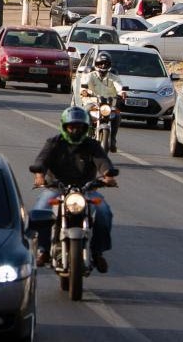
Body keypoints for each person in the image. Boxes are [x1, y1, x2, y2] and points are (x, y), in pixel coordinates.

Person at [30, 106, 119, 272]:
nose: (75, 130)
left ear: (85, 128)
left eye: (79, 127)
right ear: (64, 127)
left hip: (85, 190)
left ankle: (97, 252)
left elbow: (103, 162)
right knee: (40, 210)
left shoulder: (92, 145)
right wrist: (40, 175)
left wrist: (108, 176)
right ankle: (43, 250)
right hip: (57, 188)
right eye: (71, 126)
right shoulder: (54, 143)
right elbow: (41, 160)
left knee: (104, 212)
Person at [80, 52, 126, 152]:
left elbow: (119, 86)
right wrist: (84, 91)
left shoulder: (113, 77)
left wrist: (122, 92)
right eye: (101, 63)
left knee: (117, 115)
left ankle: (113, 140)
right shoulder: (90, 75)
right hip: (92, 103)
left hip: (108, 104)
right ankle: (86, 135)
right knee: (85, 112)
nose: (103, 65)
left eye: (105, 63)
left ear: (109, 65)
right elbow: (84, 84)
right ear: (96, 64)